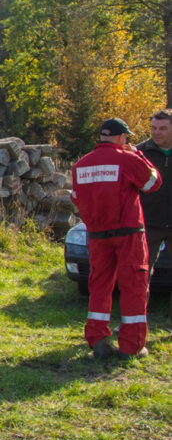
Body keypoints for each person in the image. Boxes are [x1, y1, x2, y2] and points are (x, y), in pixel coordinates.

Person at [71, 118, 161, 360]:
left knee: (99, 285)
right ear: (122, 138)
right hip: (128, 232)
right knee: (134, 284)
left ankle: (98, 339)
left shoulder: (81, 165)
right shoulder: (127, 158)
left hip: (98, 234)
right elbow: (153, 183)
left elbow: (76, 197)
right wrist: (140, 156)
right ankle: (132, 345)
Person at [137, 109, 172, 321]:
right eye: (153, 128)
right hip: (148, 223)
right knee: (140, 273)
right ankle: (137, 319)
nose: (156, 133)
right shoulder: (140, 152)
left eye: (163, 128)